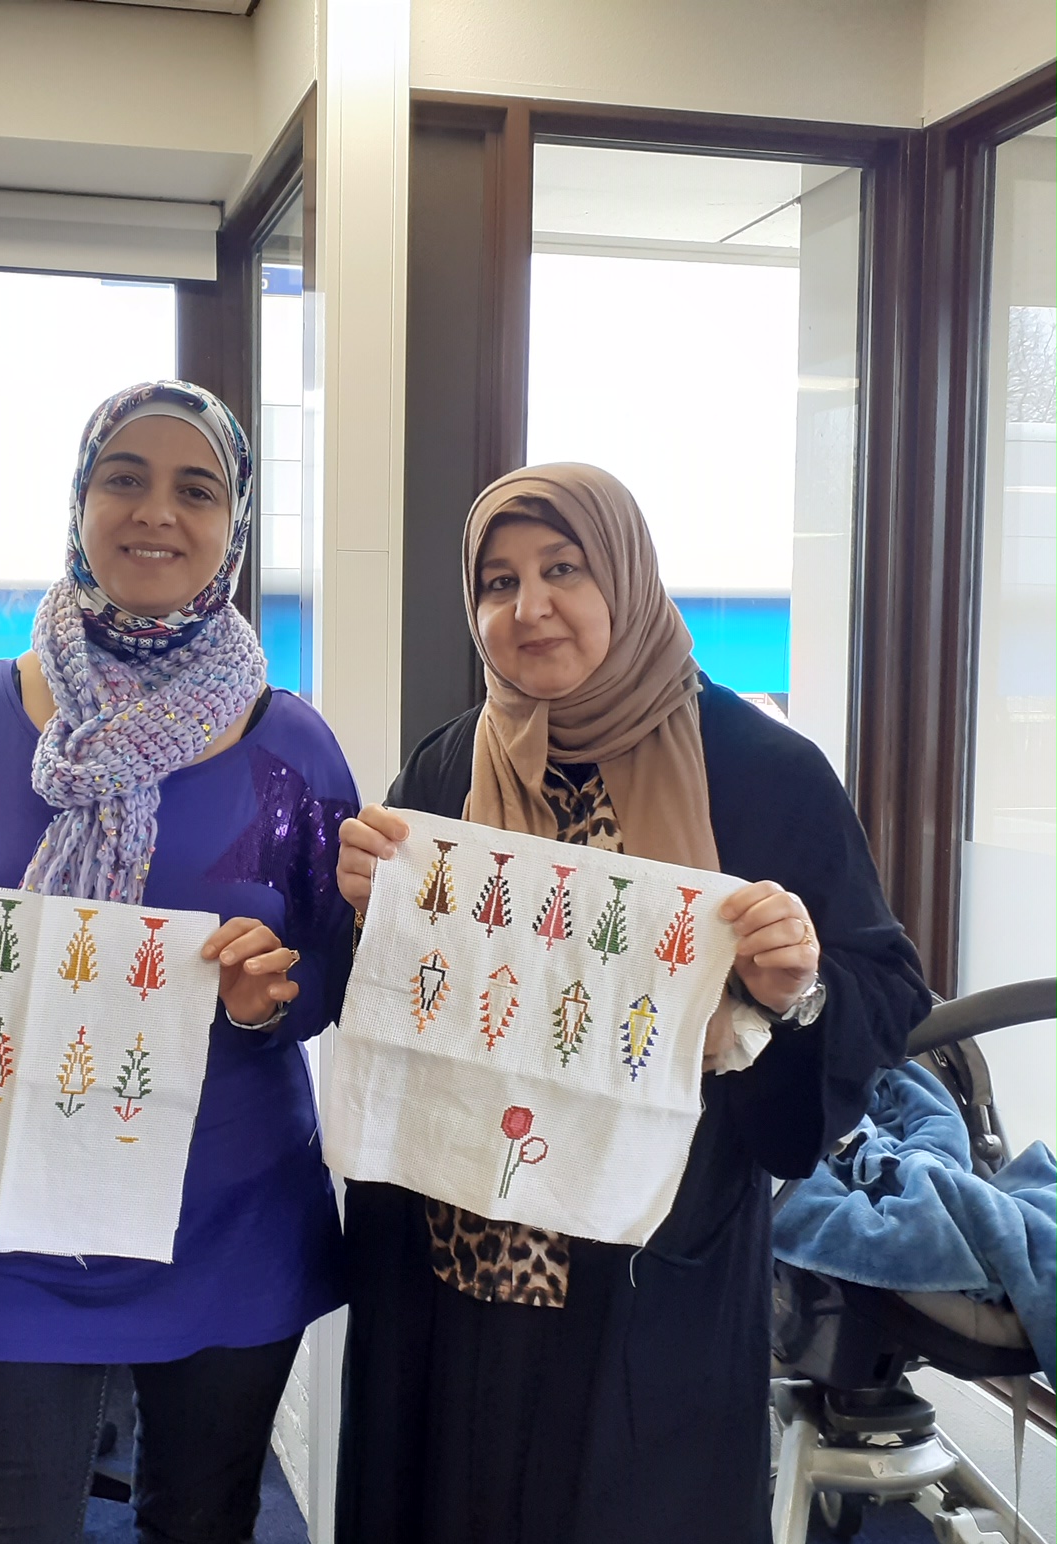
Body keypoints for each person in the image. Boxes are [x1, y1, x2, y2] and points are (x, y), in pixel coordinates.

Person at [0, 380, 357, 1544]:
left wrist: (263, 998)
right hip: (11, 1219)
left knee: (201, 1521)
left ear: (233, 525)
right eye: (123, 478)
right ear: (79, 501)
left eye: (195, 488)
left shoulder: (289, 744)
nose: (156, 511)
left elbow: (334, 978)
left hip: (226, 1209)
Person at [332, 464, 931, 1544]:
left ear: (625, 577)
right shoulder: (449, 766)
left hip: (646, 1270)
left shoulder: (757, 767)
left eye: (563, 569)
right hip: (450, 1259)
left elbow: (883, 987)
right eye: (499, 582)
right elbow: (393, 987)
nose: (530, 607)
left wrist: (793, 988)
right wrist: (362, 909)